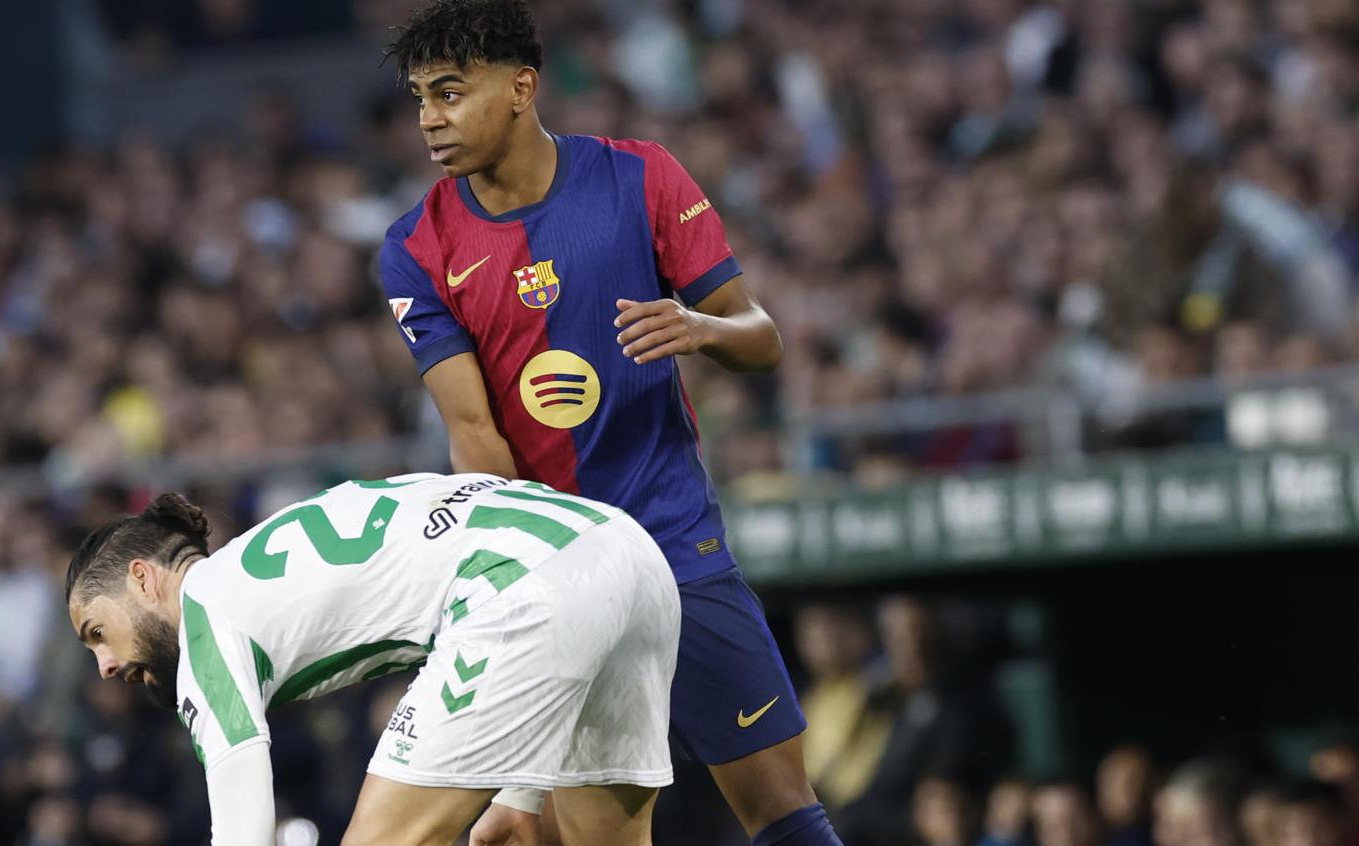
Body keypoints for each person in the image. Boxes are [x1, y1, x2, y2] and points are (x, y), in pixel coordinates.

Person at [375, 3, 834, 845]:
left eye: (448, 92)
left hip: (675, 545)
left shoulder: (642, 177)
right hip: (561, 579)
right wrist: (531, 586)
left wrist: (702, 330)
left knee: (783, 812)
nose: (427, 120)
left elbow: (760, 338)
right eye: (418, 98)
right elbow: (475, 440)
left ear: (521, 87)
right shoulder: (414, 248)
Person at [62, 474, 684, 845]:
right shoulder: (261, 563)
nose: (106, 666)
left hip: (519, 587)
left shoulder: (203, 621)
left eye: (97, 631)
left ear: (144, 580)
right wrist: (518, 792)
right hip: (620, 547)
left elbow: (244, 828)